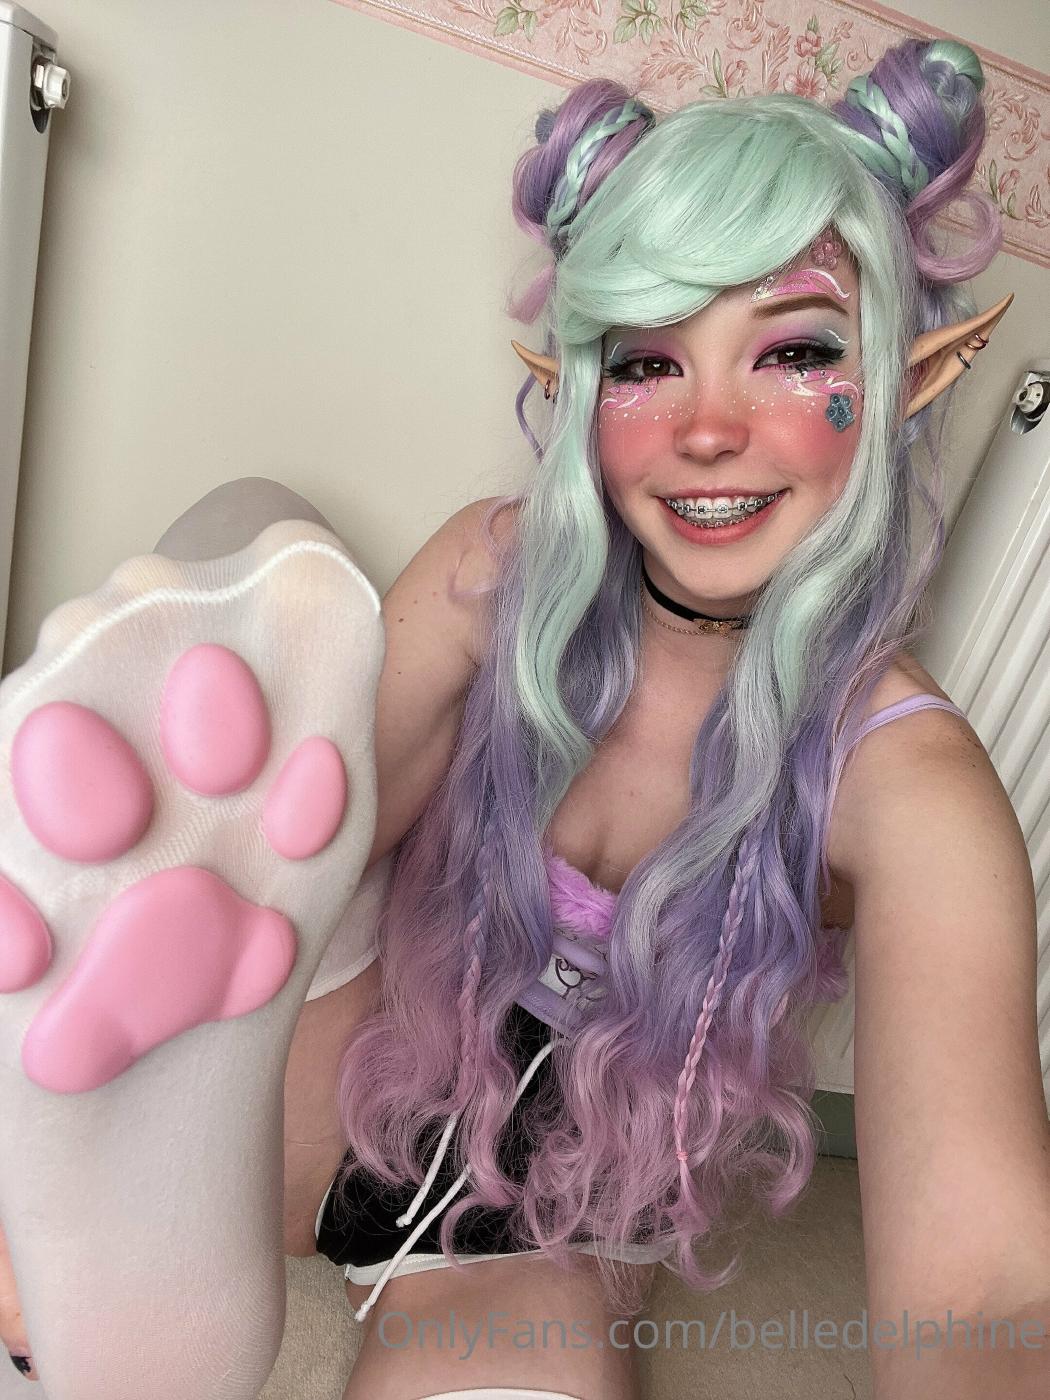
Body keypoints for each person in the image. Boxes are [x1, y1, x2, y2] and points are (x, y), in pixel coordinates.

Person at [1, 32, 1047, 1400]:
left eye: (792, 353)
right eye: (647, 364)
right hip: (338, 1062)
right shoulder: (487, 577)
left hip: (546, 1218)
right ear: (576, 387)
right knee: (280, 574)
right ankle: (105, 1144)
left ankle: (109, 1189)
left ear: (908, 374)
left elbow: (987, 1289)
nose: (709, 429)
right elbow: (308, 853)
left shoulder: (909, 782)